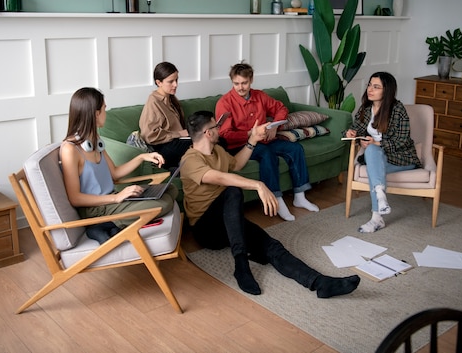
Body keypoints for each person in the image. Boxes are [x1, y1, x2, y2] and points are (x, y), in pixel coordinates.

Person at [180, 110, 360, 298]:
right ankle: (241, 266)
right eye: (216, 126)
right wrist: (258, 184)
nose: (219, 128)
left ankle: (320, 283)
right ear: (208, 133)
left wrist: (253, 140)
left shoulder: (217, 151)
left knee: (271, 246)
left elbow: (236, 164)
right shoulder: (189, 160)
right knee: (232, 191)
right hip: (206, 229)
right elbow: (218, 177)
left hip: (228, 220)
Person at [60, 87, 178, 243]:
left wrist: (142, 157)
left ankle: (112, 226)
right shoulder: (70, 149)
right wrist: (117, 198)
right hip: (96, 210)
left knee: (170, 189)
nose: (105, 113)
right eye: (104, 109)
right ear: (96, 114)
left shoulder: (94, 139)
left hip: (111, 200)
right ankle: (102, 225)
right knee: (163, 203)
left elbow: (114, 173)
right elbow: (75, 198)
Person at [216, 62, 318, 221]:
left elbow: (281, 109)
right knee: (267, 154)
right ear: (232, 82)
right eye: (236, 83)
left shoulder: (260, 96)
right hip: (241, 146)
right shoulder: (225, 103)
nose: (240, 87)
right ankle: (276, 199)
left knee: (295, 148)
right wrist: (251, 133)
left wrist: (274, 127)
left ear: (251, 80)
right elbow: (225, 135)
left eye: (244, 83)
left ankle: (300, 196)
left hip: (265, 140)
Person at [344, 72, 421, 233]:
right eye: (369, 85)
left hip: (401, 159)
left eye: (376, 87)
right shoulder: (366, 108)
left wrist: (377, 142)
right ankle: (379, 200)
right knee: (372, 151)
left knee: (373, 154)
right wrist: (350, 133)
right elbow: (356, 127)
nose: (370, 90)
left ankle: (377, 214)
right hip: (377, 158)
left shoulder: (397, 109)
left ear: (387, 90)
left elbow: (402, 140)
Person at [139, 62, 191, 169]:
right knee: (202, 143)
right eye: (171, 81)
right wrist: (179, 134)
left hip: (177, 142)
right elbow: (149, 135)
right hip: (163, 148)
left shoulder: (171, 98)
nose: (175, 85)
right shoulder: (154, 101)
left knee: (212, 139)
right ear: (159, 82)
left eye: (176, 80)